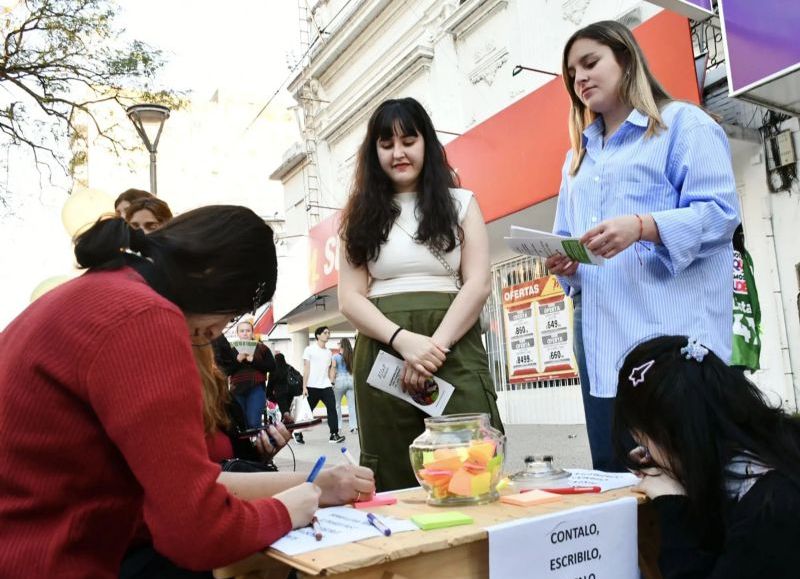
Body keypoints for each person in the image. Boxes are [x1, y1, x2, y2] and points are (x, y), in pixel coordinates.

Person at [0, 206, 321, 577]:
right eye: (232, 314)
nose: (219, 331)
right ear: (212, 277)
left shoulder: (100, 288)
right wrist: (286, 510)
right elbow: (195, 532)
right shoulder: (145, 317)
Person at [547, 20, 740, 471]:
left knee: (686, 484)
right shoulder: (576, 160)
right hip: (601, 349)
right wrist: (565, 264)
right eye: (572, 73)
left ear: (627, 59)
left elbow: (720, 214)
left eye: (591, 62)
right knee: (617, 487)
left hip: (670, 345)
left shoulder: (682, 124)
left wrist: (644, 226)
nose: (580, 79)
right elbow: (566, 241)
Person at [338, 97, 504, 492]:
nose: (398, 153)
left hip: (454, 343)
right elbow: (350, 298)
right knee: (393, 470)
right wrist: (403, 341)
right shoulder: (358, 213)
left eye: (408, 140)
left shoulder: (461, 204)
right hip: (383, 349)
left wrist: (431, 350)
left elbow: (478, 283)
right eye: (386, 144)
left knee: (471, 463)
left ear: (426, 143)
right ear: (373, 151)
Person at [121, 341, 376, 579]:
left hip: (239, 535)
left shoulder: (221, 398)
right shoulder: (145, 404)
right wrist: (320, 485)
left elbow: (236, 461)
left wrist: (263, 453)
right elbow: (189, 486)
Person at [614, 335, 800, 579]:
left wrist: (672, 505)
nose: (647, 457)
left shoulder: (769, 509)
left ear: (672, 436)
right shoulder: (773, 450)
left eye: (645, 443)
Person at [213, 319, 275, 429]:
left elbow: (272, 367)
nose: (245, 333)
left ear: (252, 332)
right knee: (241, 424)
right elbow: (225, 372)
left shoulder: (262, 348)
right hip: (236, 389)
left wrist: (254, 361)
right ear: (237, 333)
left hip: (256, 387)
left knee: (253, 422)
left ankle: (258, 444)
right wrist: (237, 360)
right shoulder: (231, 349)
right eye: (242, 331)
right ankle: (248, 445)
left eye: (248, 330)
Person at [303, 326, 345, 444]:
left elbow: (330, 368)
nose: (328, 334)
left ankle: (334, 434)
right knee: (307, 411)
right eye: (325, 333)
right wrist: (304, 386)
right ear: (318, 335)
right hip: (312, 386)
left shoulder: (329, 352)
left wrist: (331, 381)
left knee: (332, 408)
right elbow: (306, 368)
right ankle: (297, 432)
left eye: (328, 332)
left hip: (326, 386)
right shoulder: (309, 349)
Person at [332, 337, 357, 433]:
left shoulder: (335, 357)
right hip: (351, 379)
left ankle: (338, 427)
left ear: (341, 345)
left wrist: (332, 381)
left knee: (337, 404)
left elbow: (333, 369)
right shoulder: (353, 356)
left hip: (340, 380)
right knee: (352, 405)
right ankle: (353, 427)